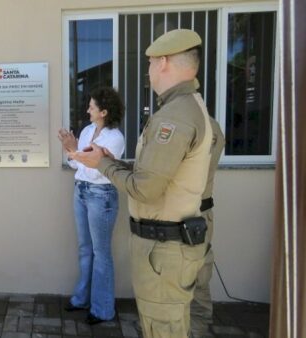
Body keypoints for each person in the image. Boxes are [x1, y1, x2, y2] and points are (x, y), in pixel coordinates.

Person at [70, 29, 213, 338]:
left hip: (164, 250)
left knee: (162, 328)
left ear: (163, 63)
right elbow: (153, 173)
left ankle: (100, 307)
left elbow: (146, 188)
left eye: (149, 63)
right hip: (165, 247)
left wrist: (104, 164)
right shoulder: (184, 107)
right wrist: (114, 163)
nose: (147, 71)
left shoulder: (175, 116)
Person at [57, 87, 125, 325]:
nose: (88, 109)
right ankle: (82, 299)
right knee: (85, 249)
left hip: (100, 196)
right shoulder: (87, 131)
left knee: (101, 253)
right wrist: (72, 151)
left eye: (92, 107)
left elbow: (97, 170)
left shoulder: (115, 138)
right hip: (81, 192)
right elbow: (78, 166)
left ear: (104, 112)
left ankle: (103, 309)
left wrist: (75, 153)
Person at [190, 113, 225, 338]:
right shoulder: (207, 125)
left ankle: (196, 331)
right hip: (195, 213)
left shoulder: (199, 125)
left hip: (194, 214)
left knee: (197, 279)